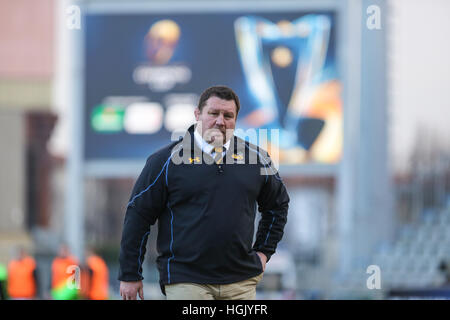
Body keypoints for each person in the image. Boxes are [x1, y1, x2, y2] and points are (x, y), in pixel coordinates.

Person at [119, 85, 289, 300]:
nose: (220, 121)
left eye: (228, 115)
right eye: (213, 113)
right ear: (198, 114)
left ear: (236, 120)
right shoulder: (165, 161)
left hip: (241, 282)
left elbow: (278, 206)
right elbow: (138, 215)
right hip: (186, 280)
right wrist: (130, 274)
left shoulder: (257, 159)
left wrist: (264, 252)